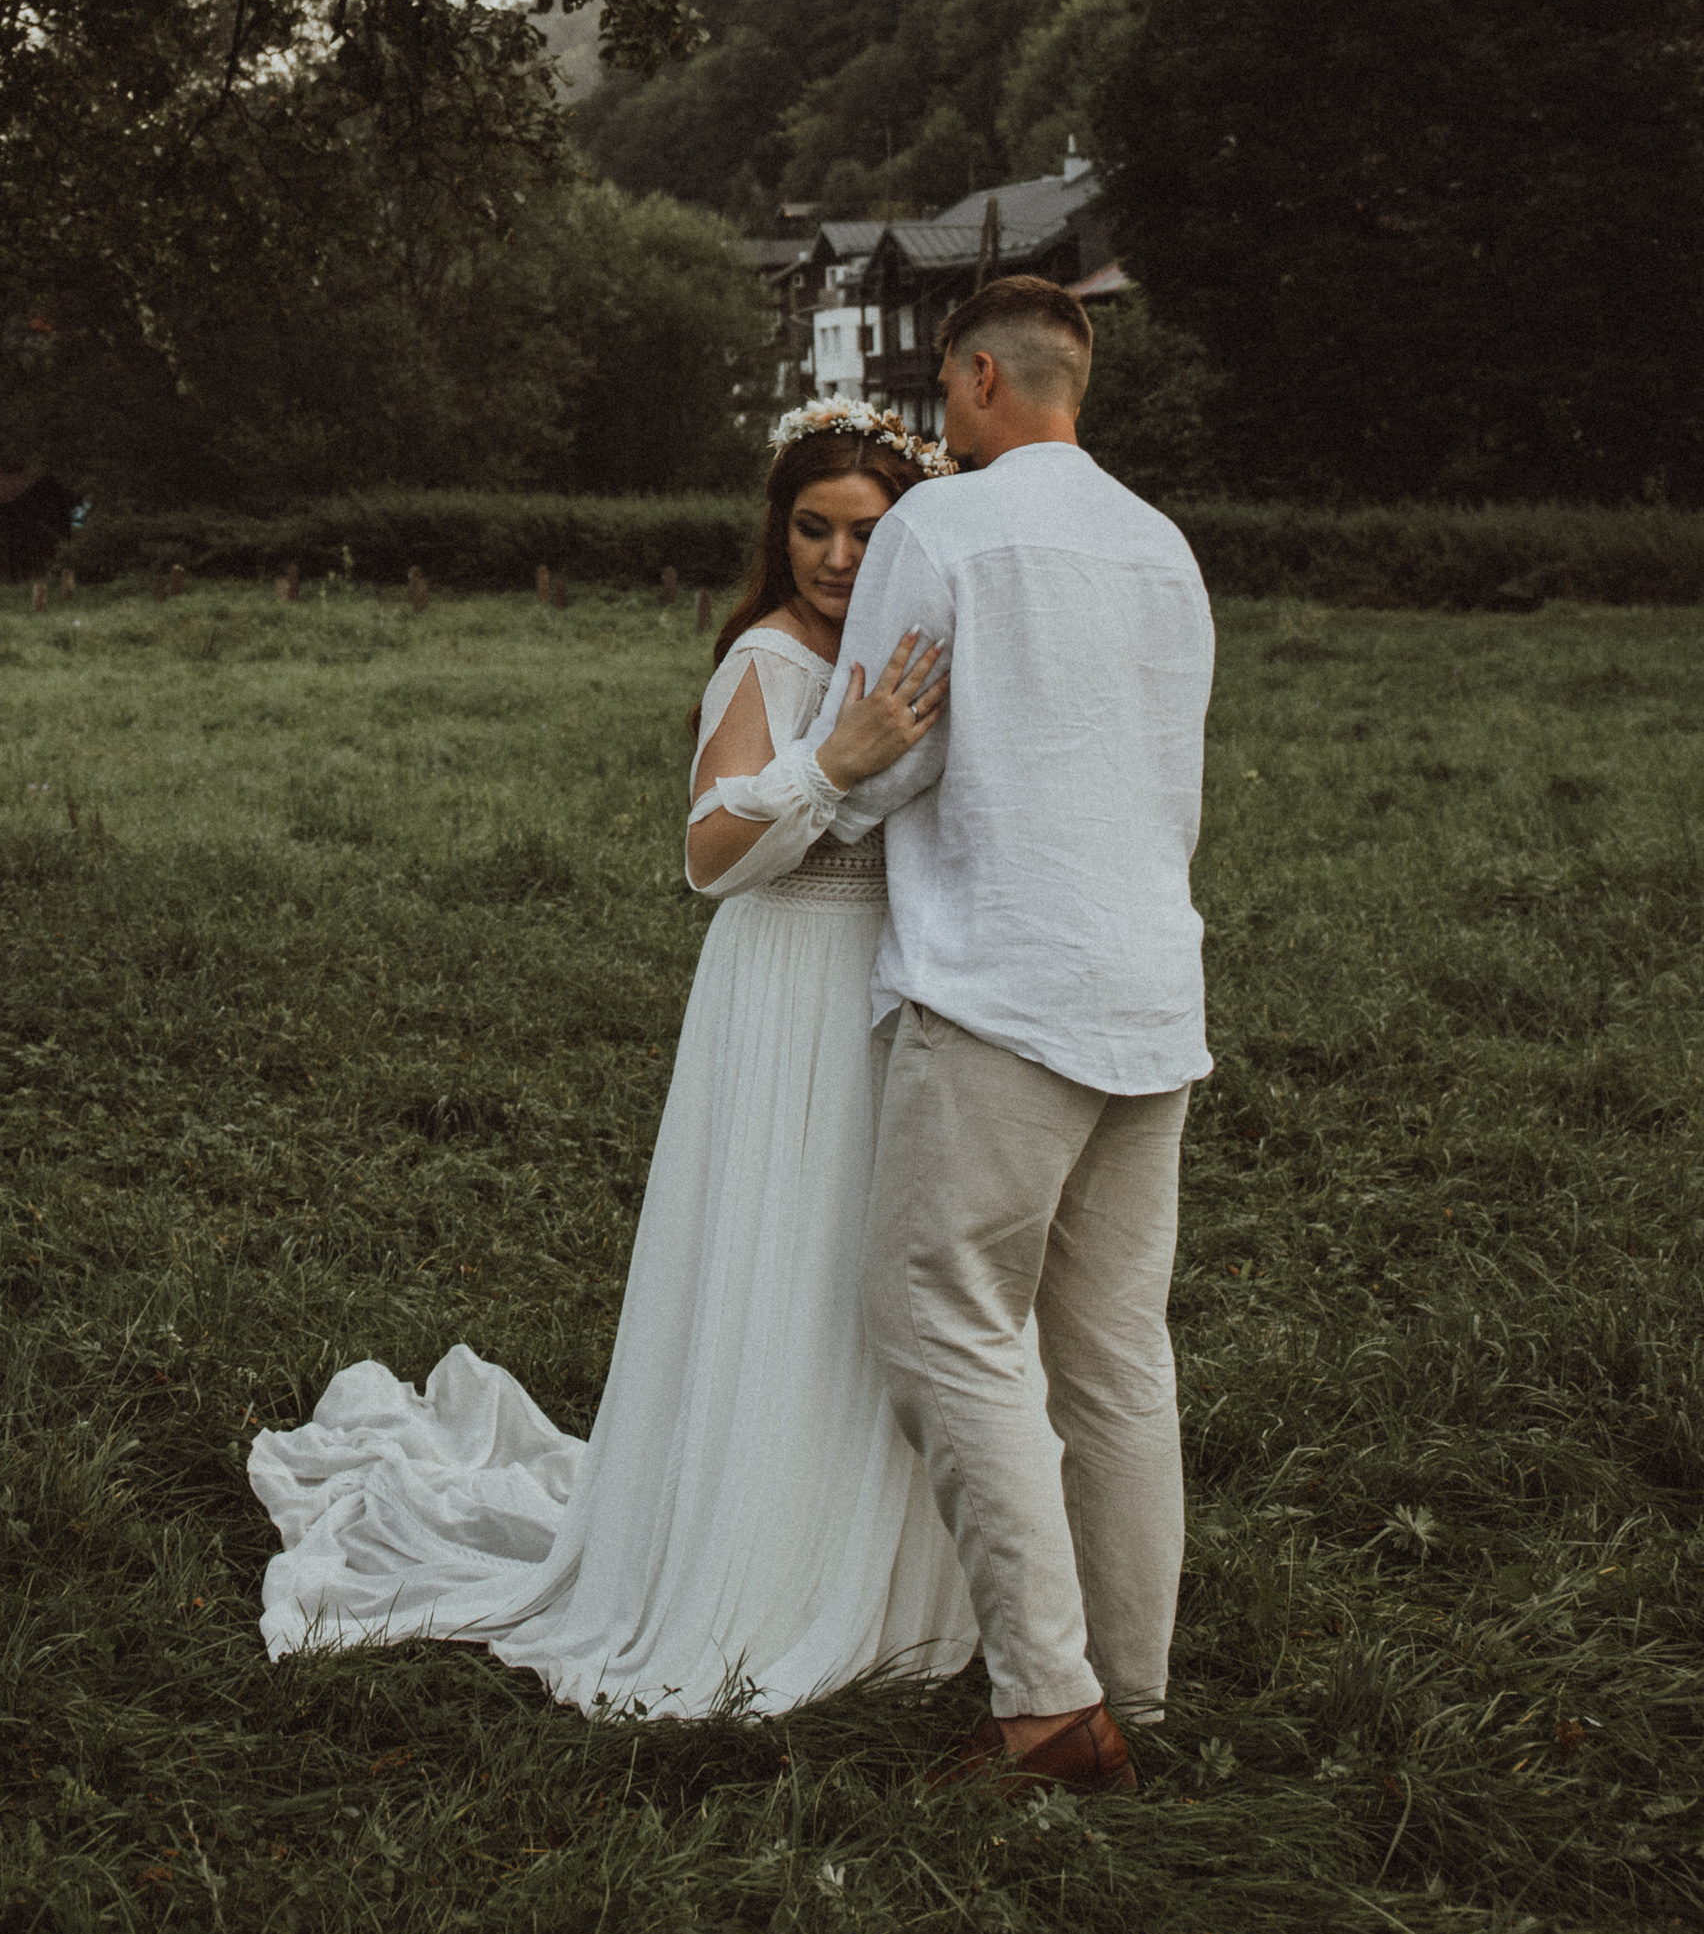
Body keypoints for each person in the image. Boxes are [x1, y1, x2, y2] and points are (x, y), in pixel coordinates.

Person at [248, 406, 976, 1720]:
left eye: (865, 531)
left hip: (892, 994)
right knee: (785, 1265)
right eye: (811, 528)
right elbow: (709, 853)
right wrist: (831, 763)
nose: (836, 558)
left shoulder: (912, 648)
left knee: (875, 1277)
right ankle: (756, 1567)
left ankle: (882, 1562)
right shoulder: (769, 657)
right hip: (782, 991)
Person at [809, 275, 1216, 1798]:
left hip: (1004, 986)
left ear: (978, 377)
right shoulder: (1162, 548)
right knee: (1114, 1356)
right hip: (1150, 992)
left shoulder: (942, 528)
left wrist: (825, 782)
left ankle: (1046, 1710)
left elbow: (882, 751)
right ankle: (1135, 1692)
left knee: (939, 1315)